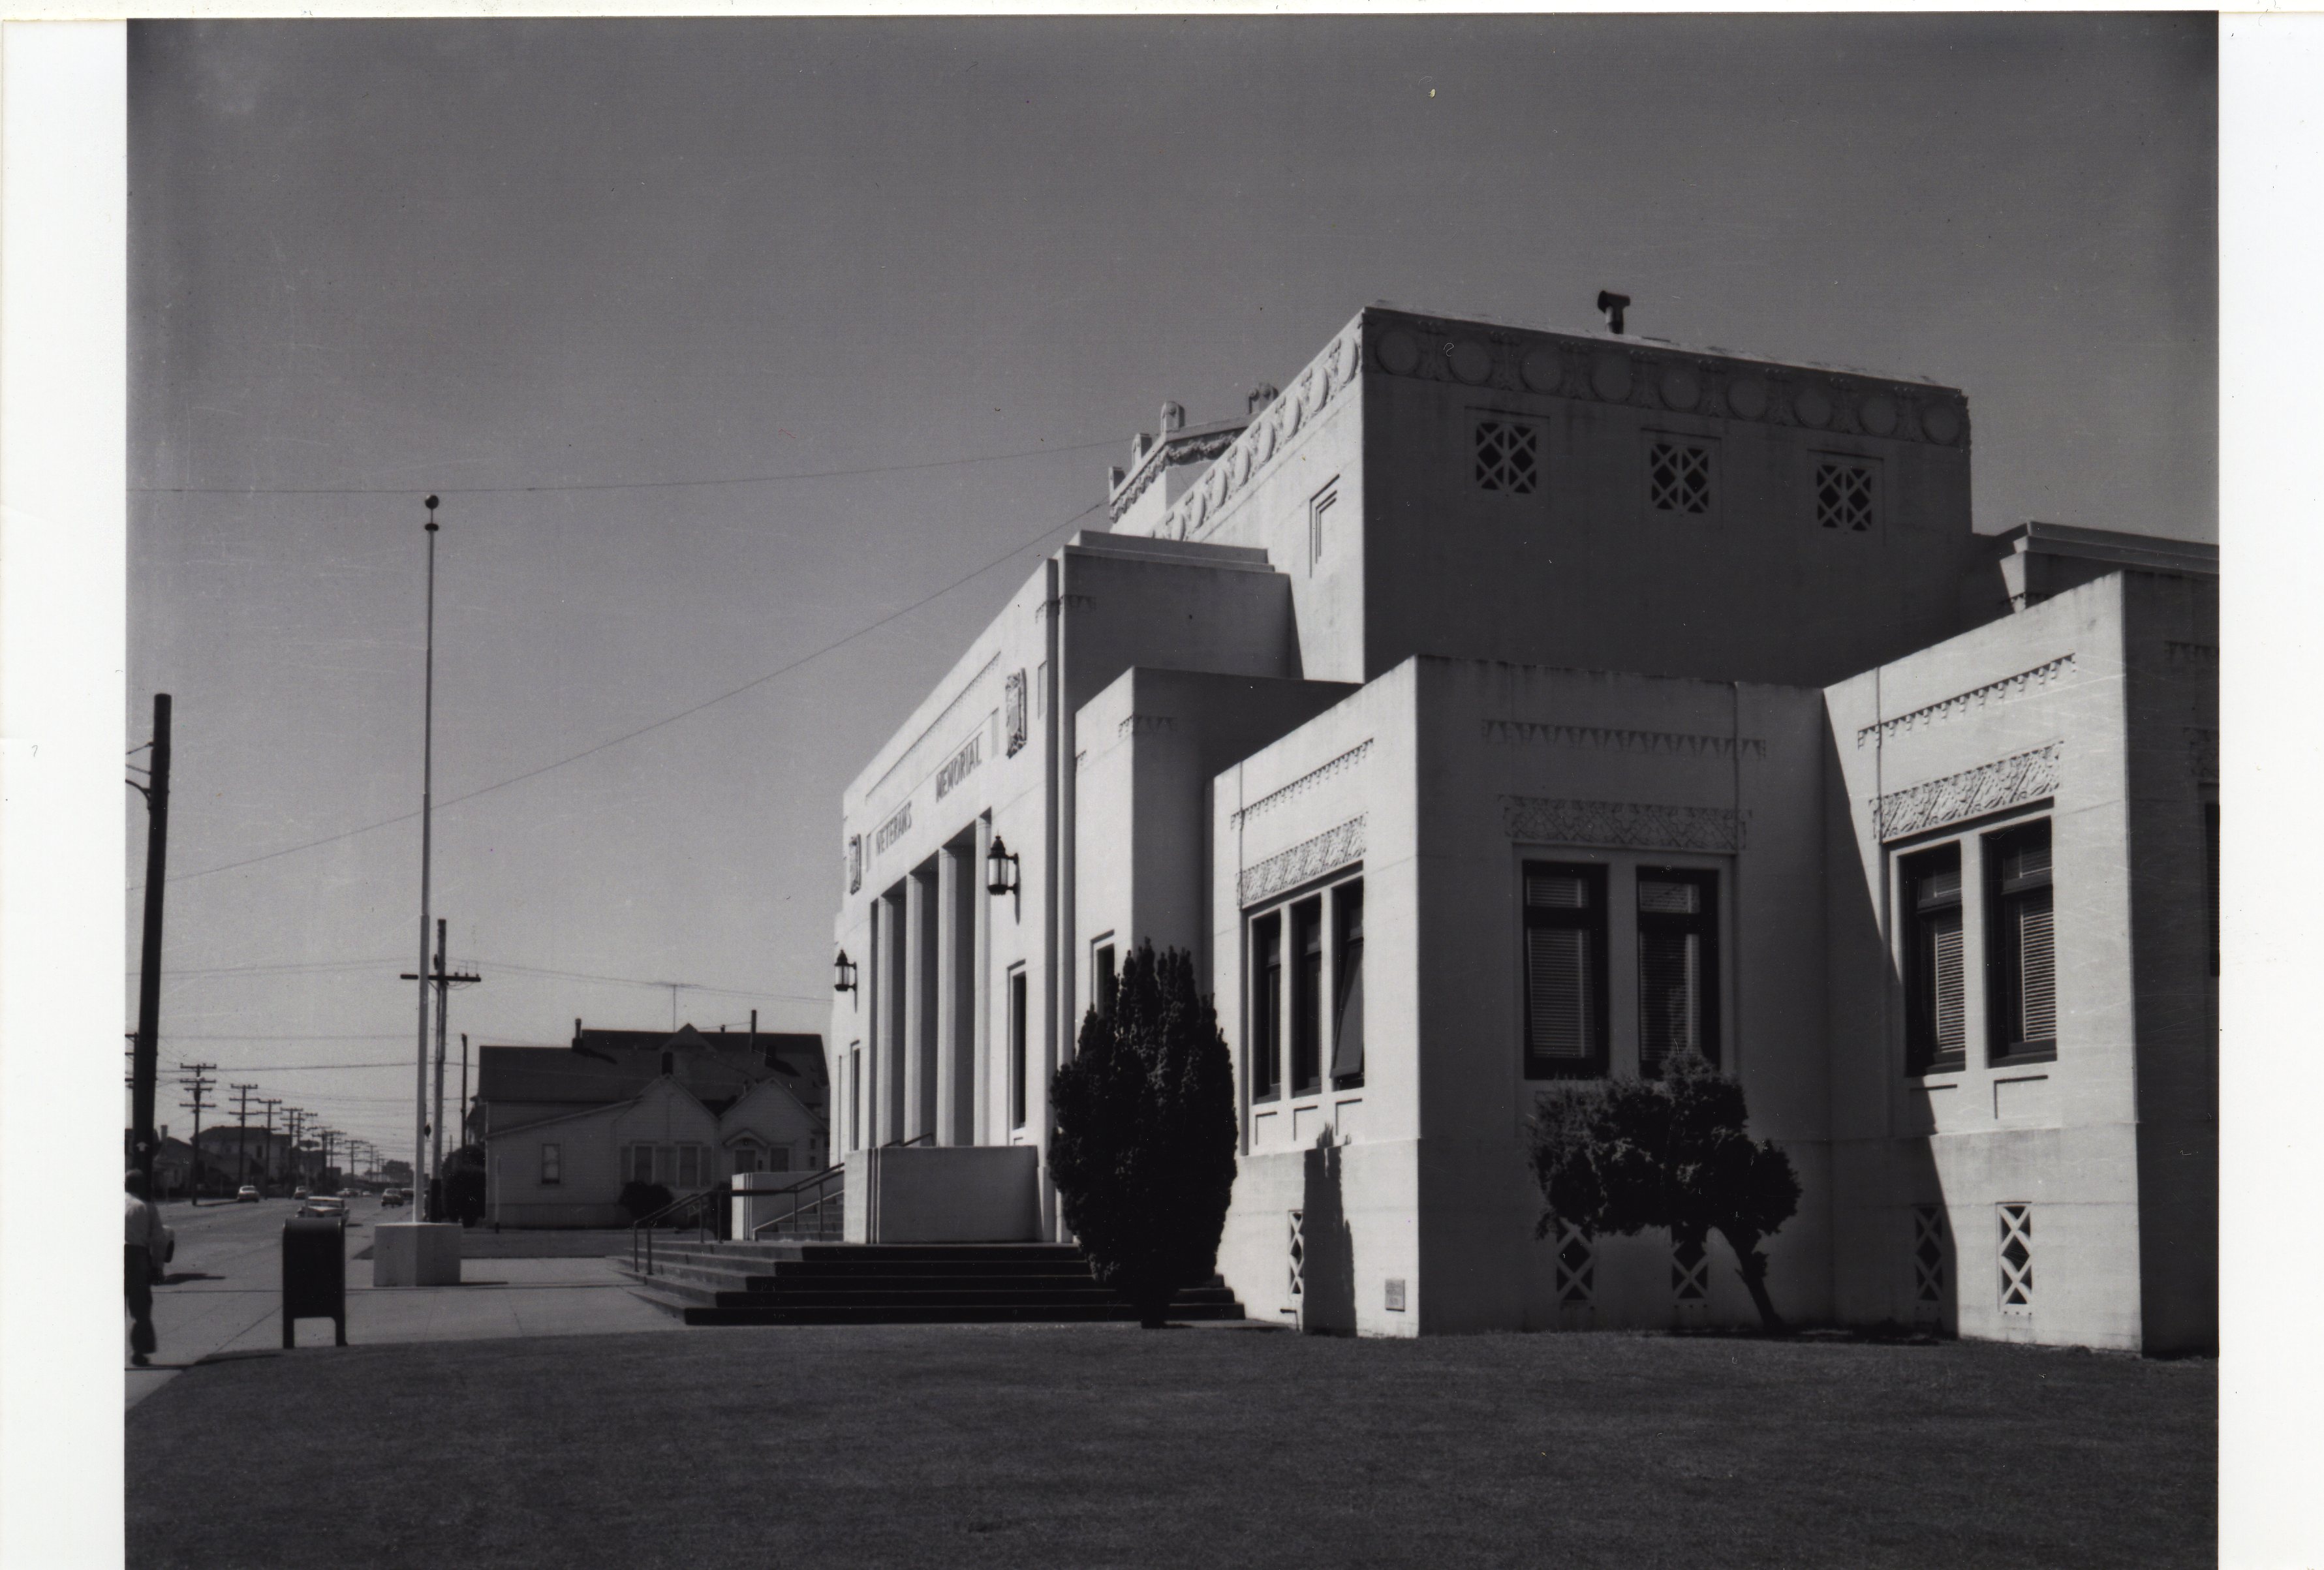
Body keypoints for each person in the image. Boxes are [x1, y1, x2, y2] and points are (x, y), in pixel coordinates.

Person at [125, 1169, 166, 1367]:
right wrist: (158, 1267)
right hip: (136, 1255)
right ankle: (139, 1351)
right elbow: (159, 1240)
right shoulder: (147, 1207)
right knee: (140, 1307)